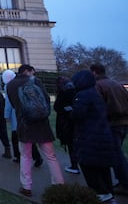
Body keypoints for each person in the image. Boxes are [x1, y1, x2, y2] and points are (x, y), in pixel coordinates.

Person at [7, 64, 64, 197]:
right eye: (33, 72)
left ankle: (26, 186)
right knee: (51, 156)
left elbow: (14, 104)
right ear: (28, 71)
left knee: (25, 156)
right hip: (41, 123)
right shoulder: (35, 81)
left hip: (24, 124)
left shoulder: (11, 85)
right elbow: (46, 99)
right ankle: (59, 185)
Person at [71, 70, 117, 203]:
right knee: (102, 167)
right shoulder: (95, 93)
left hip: (89, 136)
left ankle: (101, 192)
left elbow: (78, 114)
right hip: (102, 135)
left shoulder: (83, 95)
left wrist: (71, 111)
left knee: (88, 165)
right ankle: (109, 192)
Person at [91, 63, 128, 196]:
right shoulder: (117, 84)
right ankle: (122, 180)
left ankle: (125, 183)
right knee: (118, 153)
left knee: (116, 155)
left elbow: (98, 108)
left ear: (94, 72)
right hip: (123, 123)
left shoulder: (99, 86)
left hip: (112, 124)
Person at [2, 69, 43, 166]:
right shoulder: (21, 83)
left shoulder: (8, 86)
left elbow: (8, 103)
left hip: (15, 113)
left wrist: (6, 115)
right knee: (27, 137)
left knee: (16, 136)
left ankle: (19, 156)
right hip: (26, 112)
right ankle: (36, 157)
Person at [53, 76, 79, 174]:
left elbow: (57, 107)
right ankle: (76, 164)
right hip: (74, 121)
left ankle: (74, 165)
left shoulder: (64, 93)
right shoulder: (75, 91)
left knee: (71, 145)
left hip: (66, 123)